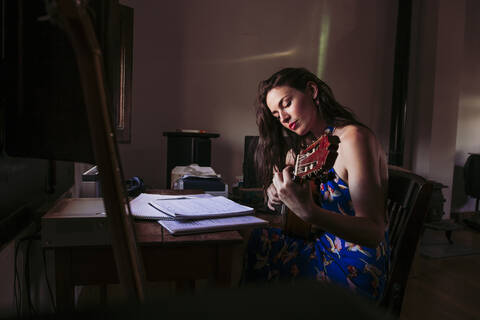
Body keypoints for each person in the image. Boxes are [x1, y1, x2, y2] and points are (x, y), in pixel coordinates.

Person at [245, 67, 390, 301]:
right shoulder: (307, 147)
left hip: (356, 261)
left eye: (286, 103)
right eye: (275, 114)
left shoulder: (353, 139)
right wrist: (274, 191)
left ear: (312, 91)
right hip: (320, 242)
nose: (282, 118)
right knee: (256, 239)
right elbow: (284, 186)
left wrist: (310, 213)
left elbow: (374, 232)